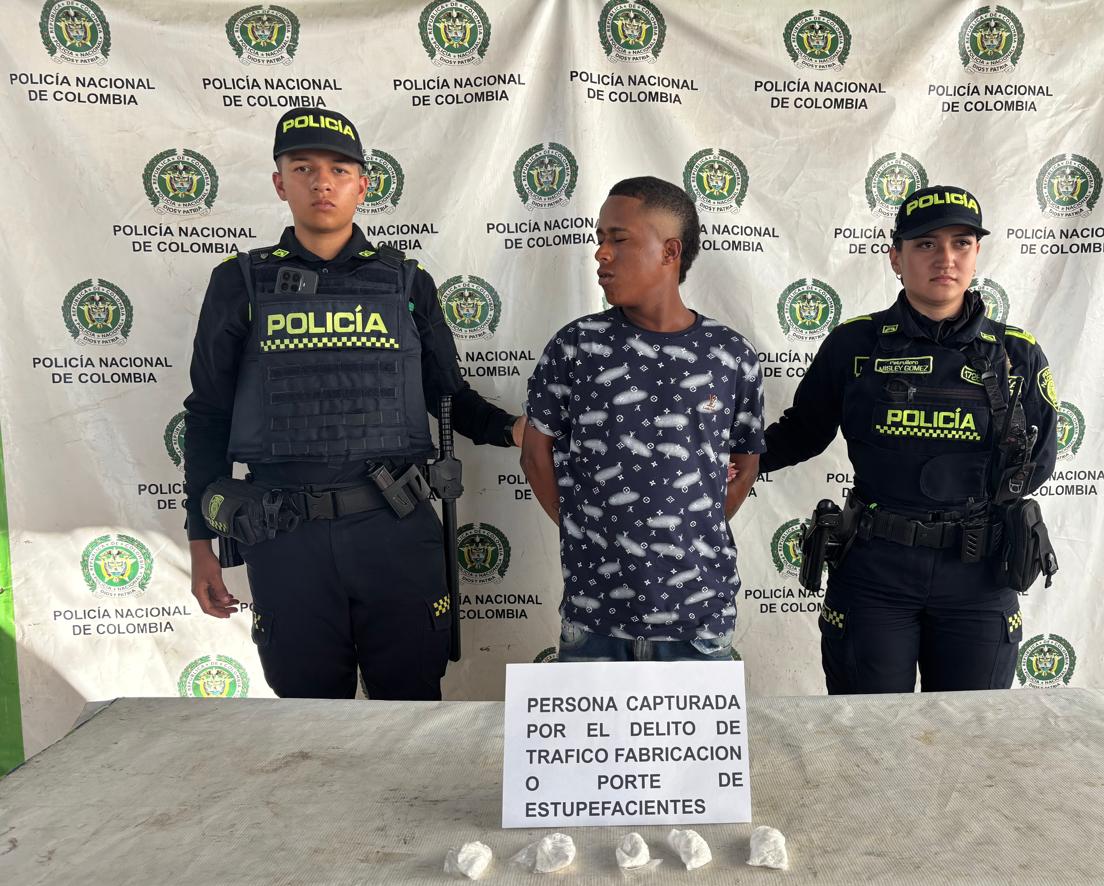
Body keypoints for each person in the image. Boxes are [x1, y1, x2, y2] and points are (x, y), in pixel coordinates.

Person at [184, 107, 525, 700]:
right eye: (303, 168)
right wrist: (200, 545)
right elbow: (208, 415)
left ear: (363, 185)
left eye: (339, 170)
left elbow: (448, 399)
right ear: (279, 183)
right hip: (284, 538)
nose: (322, 182)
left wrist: (518, 431)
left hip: (394, 531)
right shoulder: (239, 282)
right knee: (310, 722)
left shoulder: (407, 282)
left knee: (412, 717)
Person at [759, 185, 1058, 694]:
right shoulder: (855, 344)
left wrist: (959, 490)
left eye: (961, 243)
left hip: (979, 576)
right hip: (875, 571)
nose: (946, 258)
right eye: (925, 244)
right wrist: (721, 461)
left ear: (977, 254)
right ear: (896, 258)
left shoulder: (1016, 353)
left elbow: (1040, 461)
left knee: (971, 733)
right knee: (870, 731)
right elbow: (802, 433)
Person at [521, 176, 764, 662]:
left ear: (670, 251)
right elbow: (534, 454)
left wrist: (687, 530)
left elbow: (745, 464)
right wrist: (588, 532)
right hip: (594, 620)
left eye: (618, 239)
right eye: (600, 239)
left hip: (699, 622)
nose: (601, 254)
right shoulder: (576, 346)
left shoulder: (730, 355)